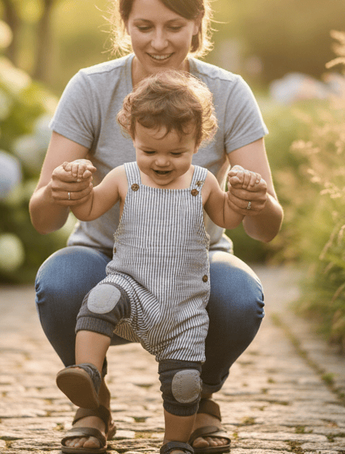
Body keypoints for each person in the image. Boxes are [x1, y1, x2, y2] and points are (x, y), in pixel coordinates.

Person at [29, 0, 283, 452]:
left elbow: (266, 229)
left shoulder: (229, 92)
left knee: (241, 295)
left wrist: (253, 200)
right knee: (60, 278)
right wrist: (62, 190)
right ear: (124, 23)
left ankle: (200, 400)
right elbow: (43, 218)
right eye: (143, 26)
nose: (159, 42)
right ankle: (92, 403)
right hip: (107, 262)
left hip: (195, 262)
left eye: (175, 26)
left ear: (197, 24)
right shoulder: (91, 88)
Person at [55, 70, 264, 454]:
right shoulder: (124, 177)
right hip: (130, 286)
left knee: (184, 383)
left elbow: (227, 217)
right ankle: (87, 374)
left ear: (197, 143)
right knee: (100, 302)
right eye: (149, 151)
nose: (162, 162)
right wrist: (77, 188)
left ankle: (176, 442)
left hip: (185, 304)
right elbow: (87, 209)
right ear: (132, 137)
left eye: (176, 153)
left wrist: (241, 197)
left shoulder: (204, 182)